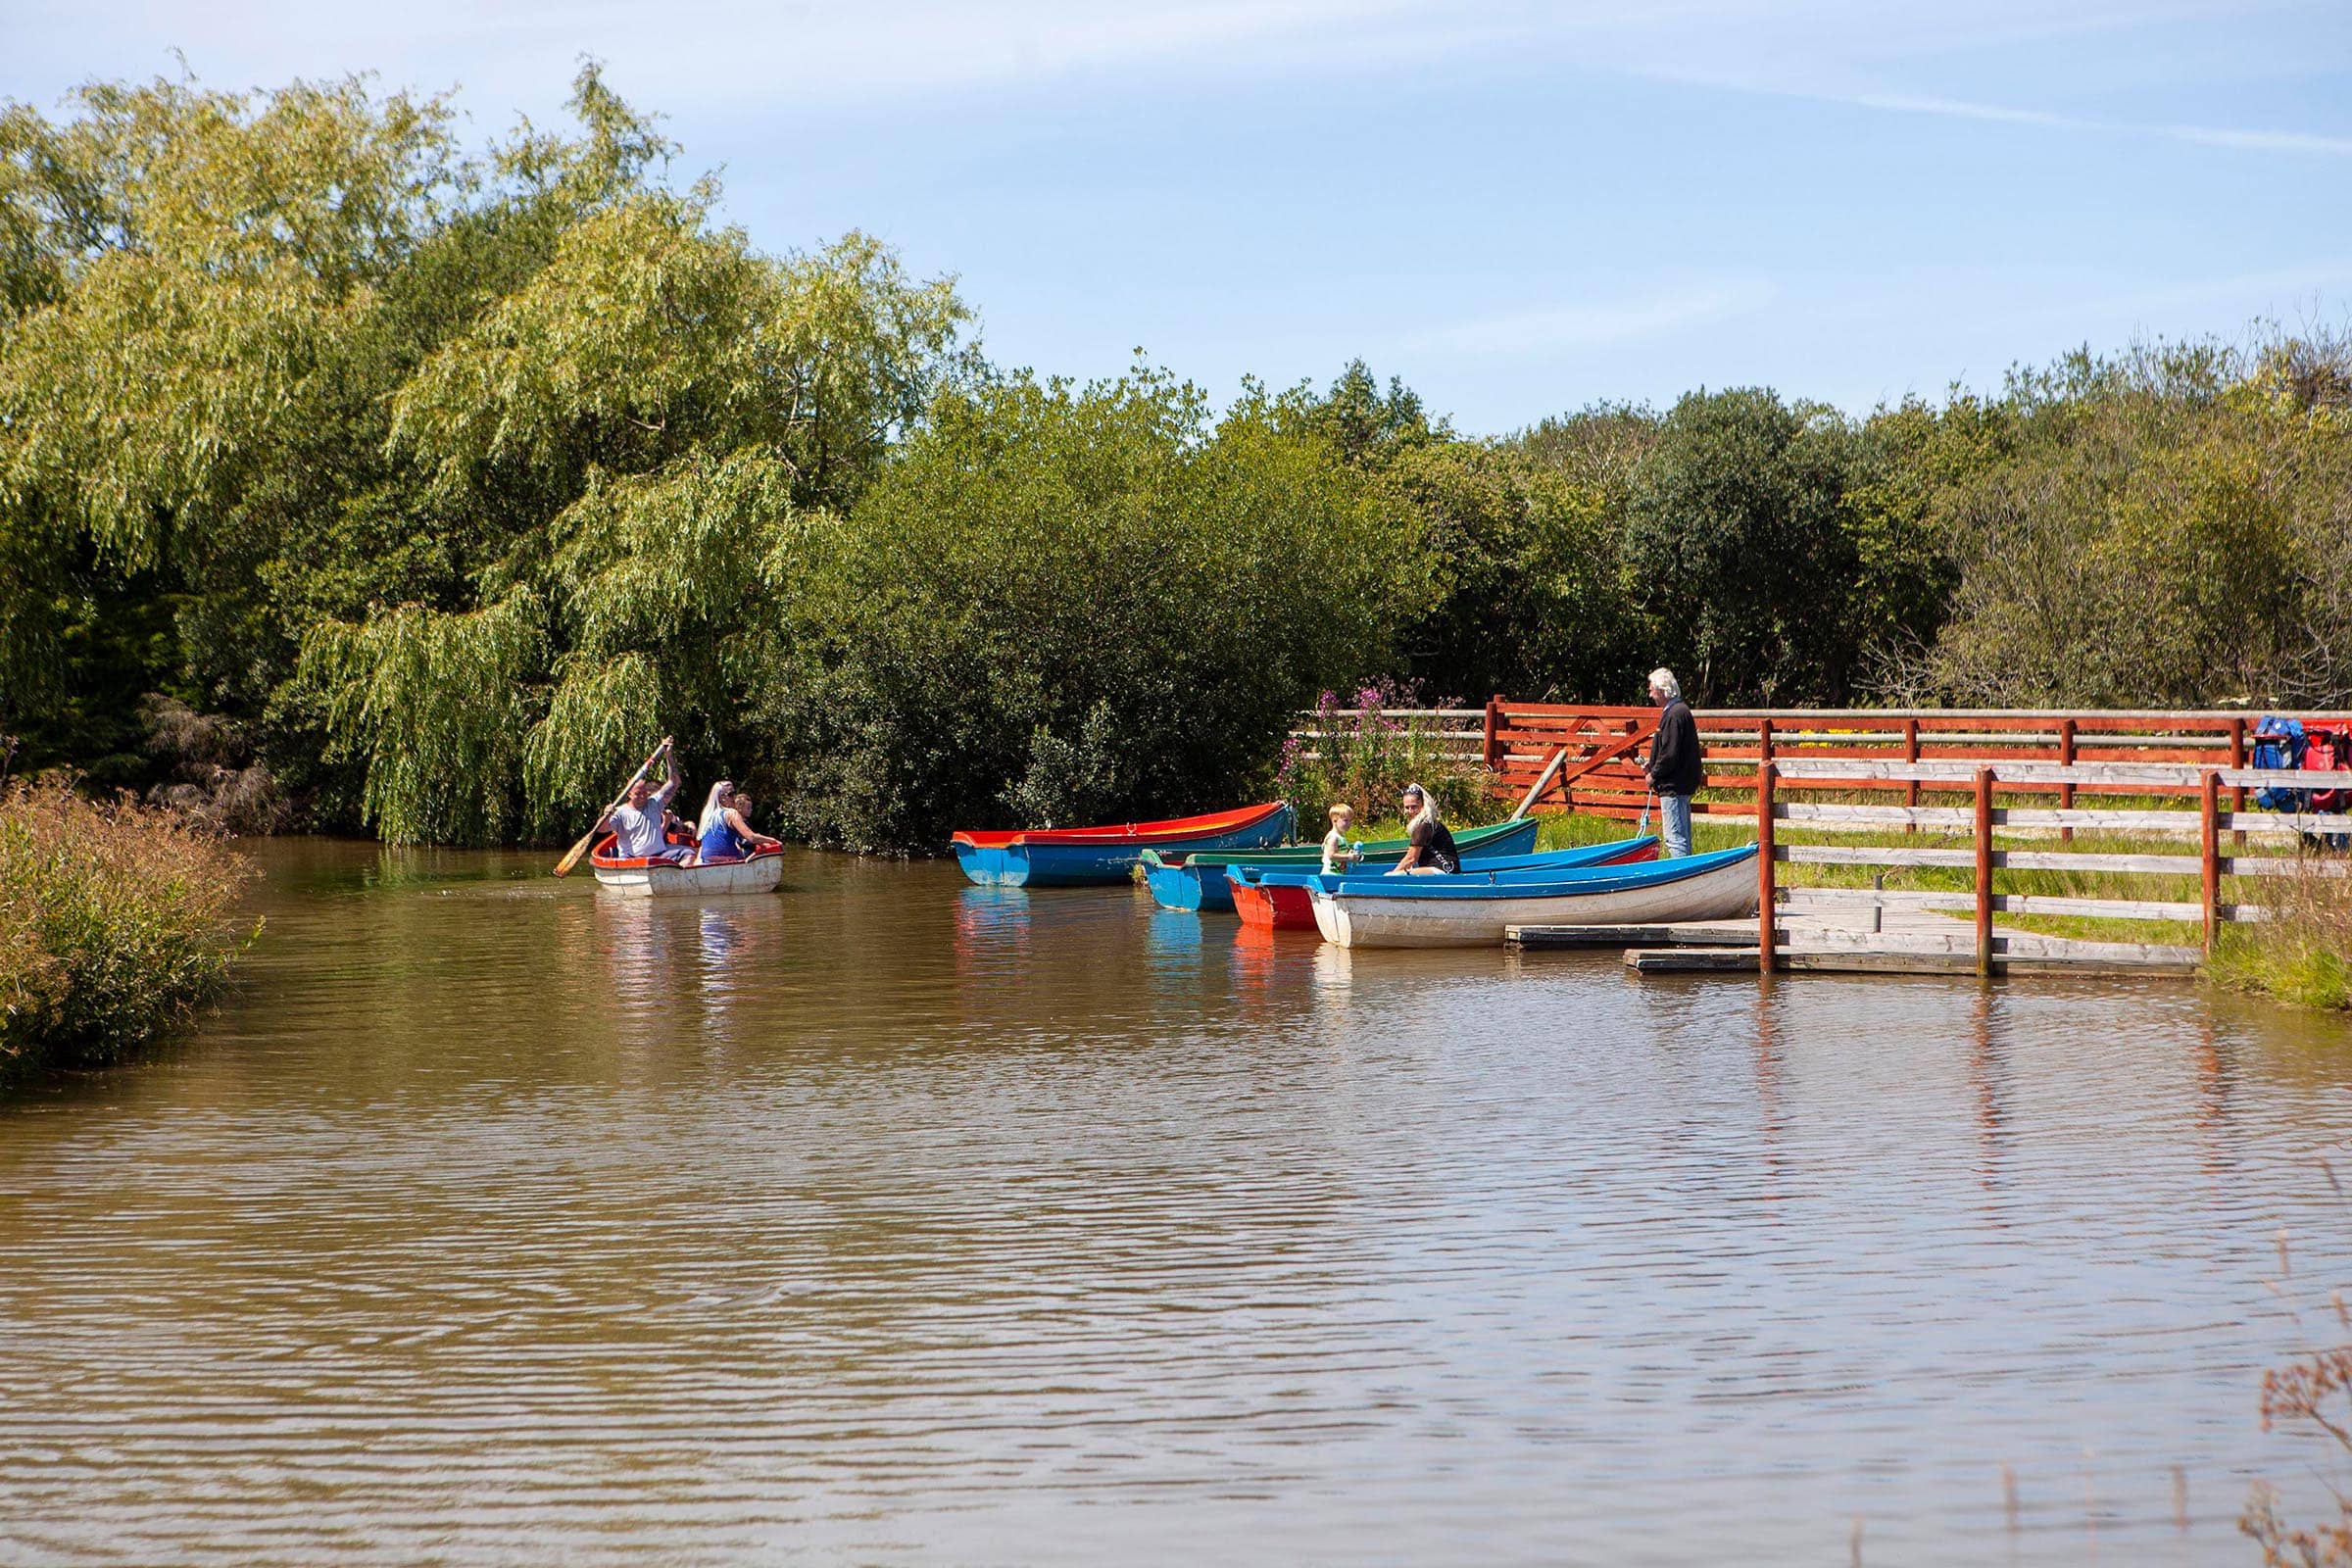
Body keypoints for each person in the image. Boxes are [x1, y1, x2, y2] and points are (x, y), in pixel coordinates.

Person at [1641, 668, 1703, 858]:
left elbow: (1669, 753)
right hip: (1681, 784)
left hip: (1673, 786)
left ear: (1662, 690)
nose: (1650, 694)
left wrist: (1653, 774)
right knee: (1682, 838)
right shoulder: (1680, 711)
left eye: (1652, 689)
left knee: (1675, 839)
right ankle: (1689, 874)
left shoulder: (1674, 715)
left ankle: (1682, 878)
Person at [599, 738, 693, 863]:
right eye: (638, 794)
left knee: (689, 854)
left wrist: (669, 755)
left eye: (644, 793)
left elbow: (674, 782)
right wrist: (606, 815)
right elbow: (601, 829)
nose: (643, 797)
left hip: (659, 855)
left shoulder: (654, 803)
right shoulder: (620, 812)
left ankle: (676, 881)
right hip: (631, 859)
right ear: (629, 794)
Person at [696, 780, 783, 863]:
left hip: (706, 861)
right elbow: (751, 837)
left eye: (734, 793)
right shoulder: (731, 813)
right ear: (722, 797)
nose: (734, 797)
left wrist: (761, 841)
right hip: (728, 860)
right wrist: (773, 840)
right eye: (731, 794)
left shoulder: (707, 815)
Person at [1389, 782, 1460, 874]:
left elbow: (1411, 858)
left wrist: (1390, 876)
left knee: (1396, 875)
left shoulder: (1424, 825)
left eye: (1414, 807)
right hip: (1445, 869)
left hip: (1444, 870)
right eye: (1407, 807)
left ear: (1423, 805)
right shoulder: (1425, 823)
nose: (1410, 811)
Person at [1321, 803, 1364, 875]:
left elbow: (1342, 850)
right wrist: (1349, 857)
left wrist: (1351, 852)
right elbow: (1332, 855)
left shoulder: (1341, 837)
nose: (1349, 823)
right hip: (1330, 874)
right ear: (1335, 821)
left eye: (1350, 821)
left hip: (1339, 873)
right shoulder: (1333, 837)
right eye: (1346, 820)